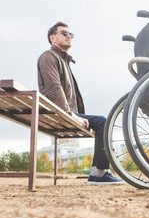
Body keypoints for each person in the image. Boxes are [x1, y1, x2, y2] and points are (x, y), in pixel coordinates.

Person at [37, 22, 125, 185]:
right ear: (52, 38)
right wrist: (72, 116)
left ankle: (99, 172)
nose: (69, 36)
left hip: (65, 112)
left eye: (71, 34)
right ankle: (99, 173)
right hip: (60, 113)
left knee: (103, 122)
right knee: (103, 122)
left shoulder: (63, 61)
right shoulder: (49, 57)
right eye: (64, 33)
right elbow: (54, 89)